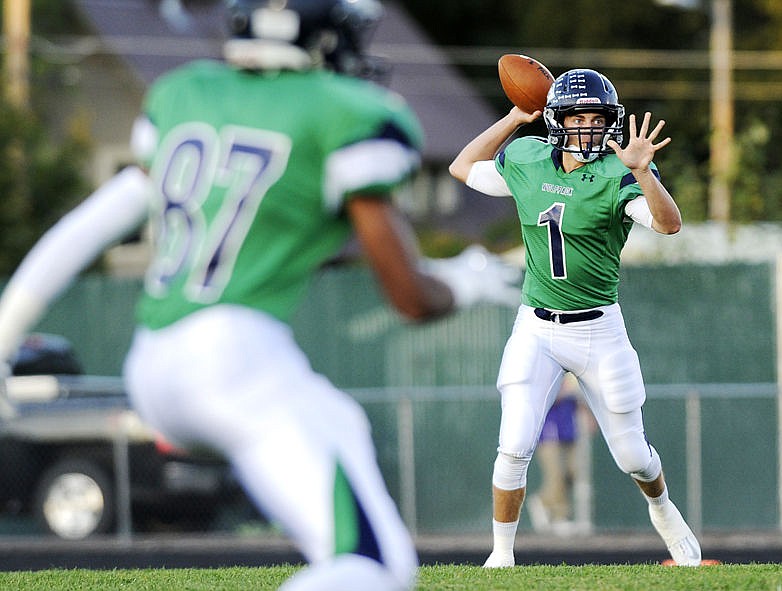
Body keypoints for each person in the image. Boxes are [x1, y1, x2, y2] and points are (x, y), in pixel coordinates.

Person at [0, 2, 519, 589]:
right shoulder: (343, 112)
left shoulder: (186, 93)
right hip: (233, 359)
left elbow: (84, 229)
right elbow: (411, 297)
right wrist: (469, 280)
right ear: (316, 39)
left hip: (151, 360)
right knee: (372, 568)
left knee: (339, 421)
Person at [449, 68, 702, 567]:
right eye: (578, 116)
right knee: (514, 444)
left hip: (598, 328)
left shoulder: (618, 171)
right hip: (537, 326)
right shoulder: (526, 157)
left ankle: (664, 510)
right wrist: (515, 115)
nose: (588, 126)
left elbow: (670, 225)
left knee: (632, 455)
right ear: (557, 121)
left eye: (597, 117)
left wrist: (644, 171)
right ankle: (501, 556)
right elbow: (461, 166)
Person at [526, 372, 591, 535]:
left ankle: (543, 501)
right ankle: (559, 516)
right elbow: (544, 396)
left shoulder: (573, 372)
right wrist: (564, 391)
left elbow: (580, 399)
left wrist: (588, 416)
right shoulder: (545, 369)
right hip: (549, 431)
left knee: (573, 472)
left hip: (569, 429)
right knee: (556, 474)